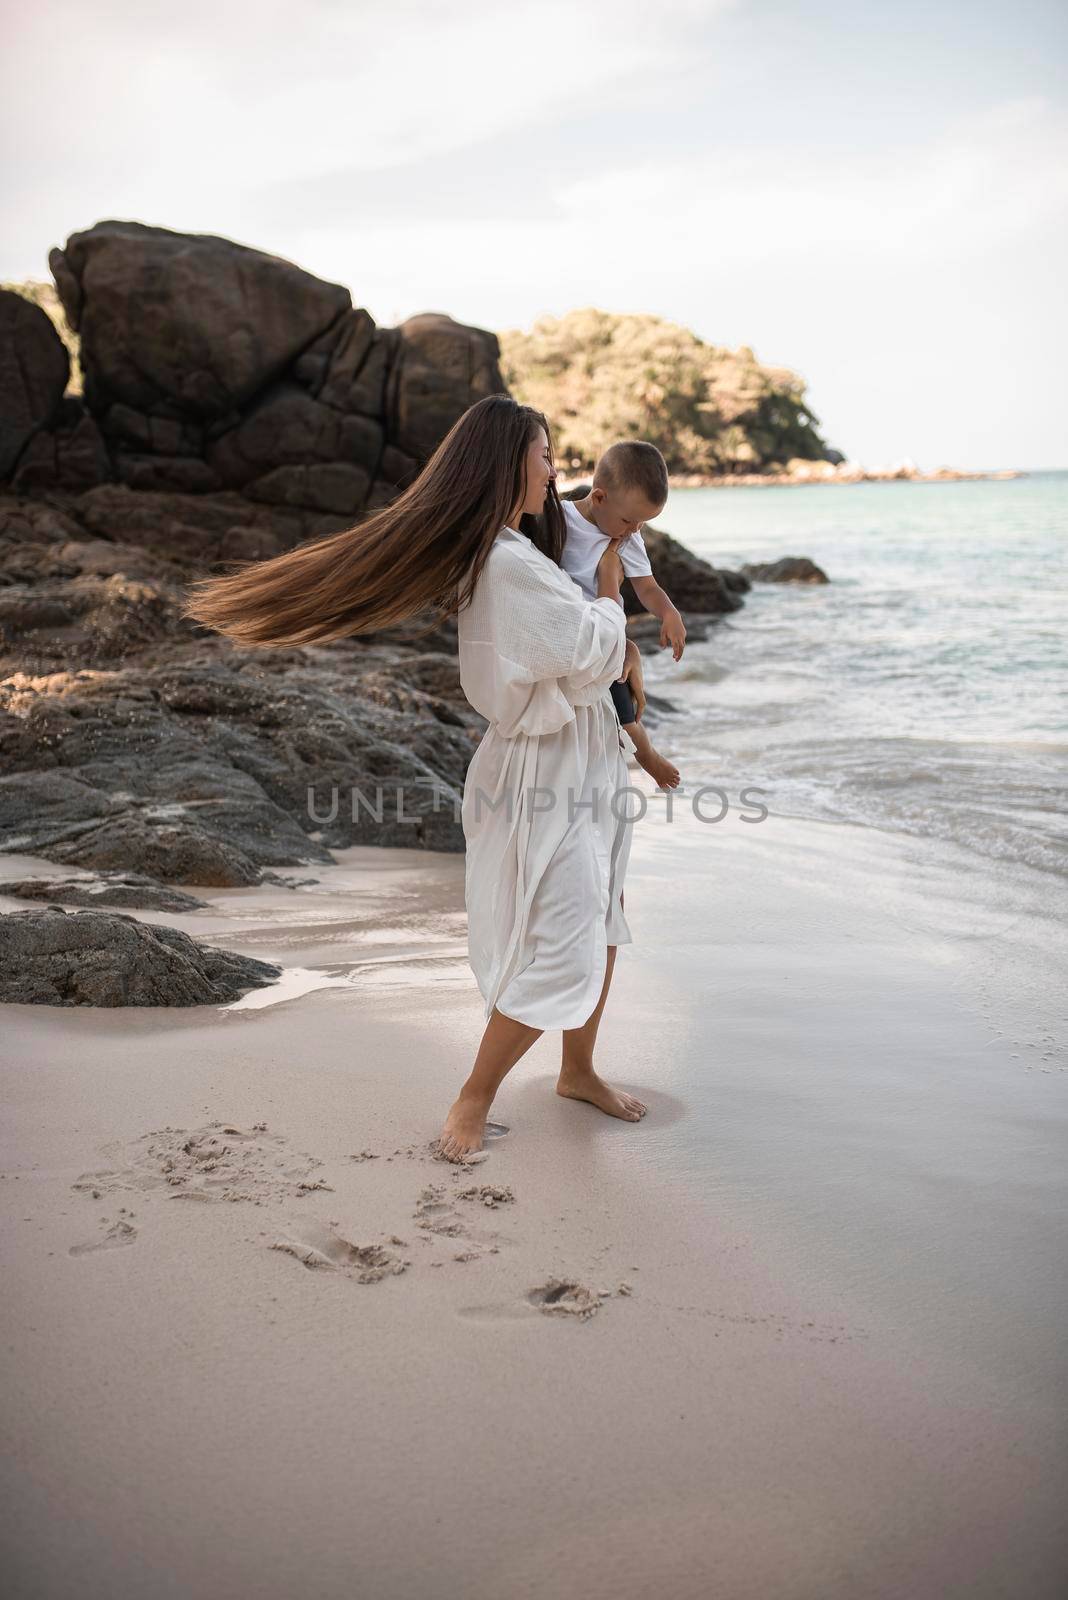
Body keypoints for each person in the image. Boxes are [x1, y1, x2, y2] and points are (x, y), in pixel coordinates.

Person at [180, 395, 648, 1163]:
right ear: (509, 463)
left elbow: (592, 653)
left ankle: (578, 1071)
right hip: (544, 767)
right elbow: (589, 651)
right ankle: (473, 1098)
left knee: (602, 916)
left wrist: (608, 601)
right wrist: (607, 597)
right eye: (545, 456)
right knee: (562, 939)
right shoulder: (503, 563)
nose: (554, 471)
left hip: (586, 757)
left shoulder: (516, 550)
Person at [559, 442, 684, 791]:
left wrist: (669, 613)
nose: (633, 529)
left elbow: (646, 587)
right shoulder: (560, 520)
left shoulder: (627, 538)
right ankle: (641, 752)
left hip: (607, 635)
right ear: (598, 498)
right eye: (629, 519)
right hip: (571, 630)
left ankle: (645, 753)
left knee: (621, 702)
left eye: (643, 522)